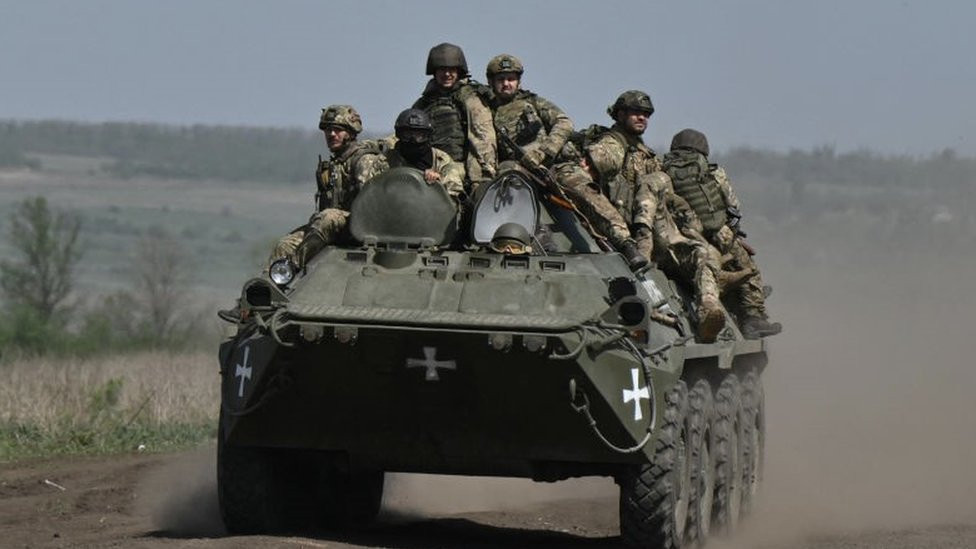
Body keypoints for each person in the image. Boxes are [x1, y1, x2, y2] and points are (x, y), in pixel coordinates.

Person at [663, 129, 781, 338]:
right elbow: (733, 207)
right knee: (746, 267)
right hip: (717, 235)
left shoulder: (664, 171)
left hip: (682, 238)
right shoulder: (713, 173)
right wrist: (733, 234)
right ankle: (753, 316)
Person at [268, 105, 385, 266]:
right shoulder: (333, 164)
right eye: (328, 130)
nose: (331, 134)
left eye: (338, 130)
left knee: (327, 218)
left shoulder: (364, 160)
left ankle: (292, 268)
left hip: (360, 227)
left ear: (351, 132)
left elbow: (373, 206)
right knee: (285, 245)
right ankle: (268, 286)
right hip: (332, 227)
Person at [412, 43, 497, 191]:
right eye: (442, 70)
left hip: (460, 168)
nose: (447, 74)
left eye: (451, 70)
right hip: (428, 167)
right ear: (434, 71)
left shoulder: (471, 98)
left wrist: (481, 180)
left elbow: (482, 139)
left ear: (459, 71)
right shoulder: (423, 103)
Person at [484, 54, 573, 170]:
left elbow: (564, 123)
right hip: (515, 170)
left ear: (518, 82)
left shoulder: (534, 102)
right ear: (491, 82)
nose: (506, 84)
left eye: (511, 79)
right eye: (501, 79)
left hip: (550, 166)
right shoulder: (485, 110)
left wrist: (542, 152)